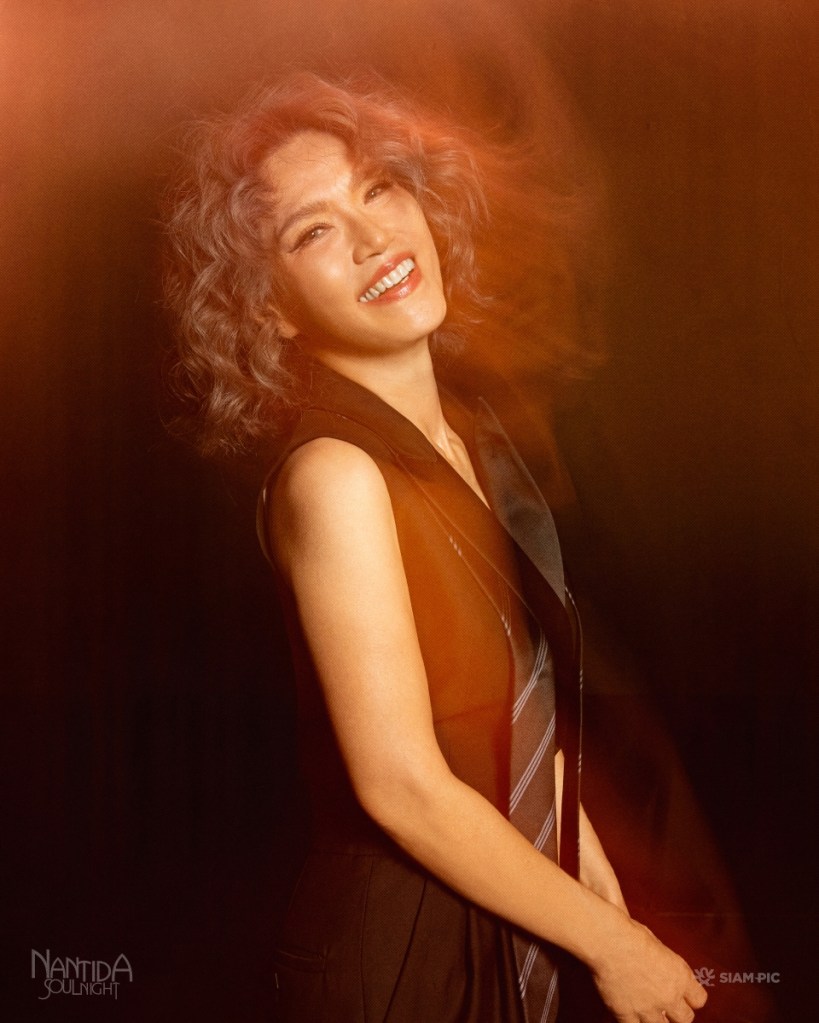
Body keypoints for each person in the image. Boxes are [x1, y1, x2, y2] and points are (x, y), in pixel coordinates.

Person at [163, 72, 708, 1023]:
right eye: (313, 230)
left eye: (377, 189)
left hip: (501, 912)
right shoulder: (334, 475)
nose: (373, 237)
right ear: (269, 308)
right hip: (399, 957)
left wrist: (595, 885)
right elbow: (400, 784)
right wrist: (611, 944)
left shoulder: (464, 440)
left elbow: (507, 717)